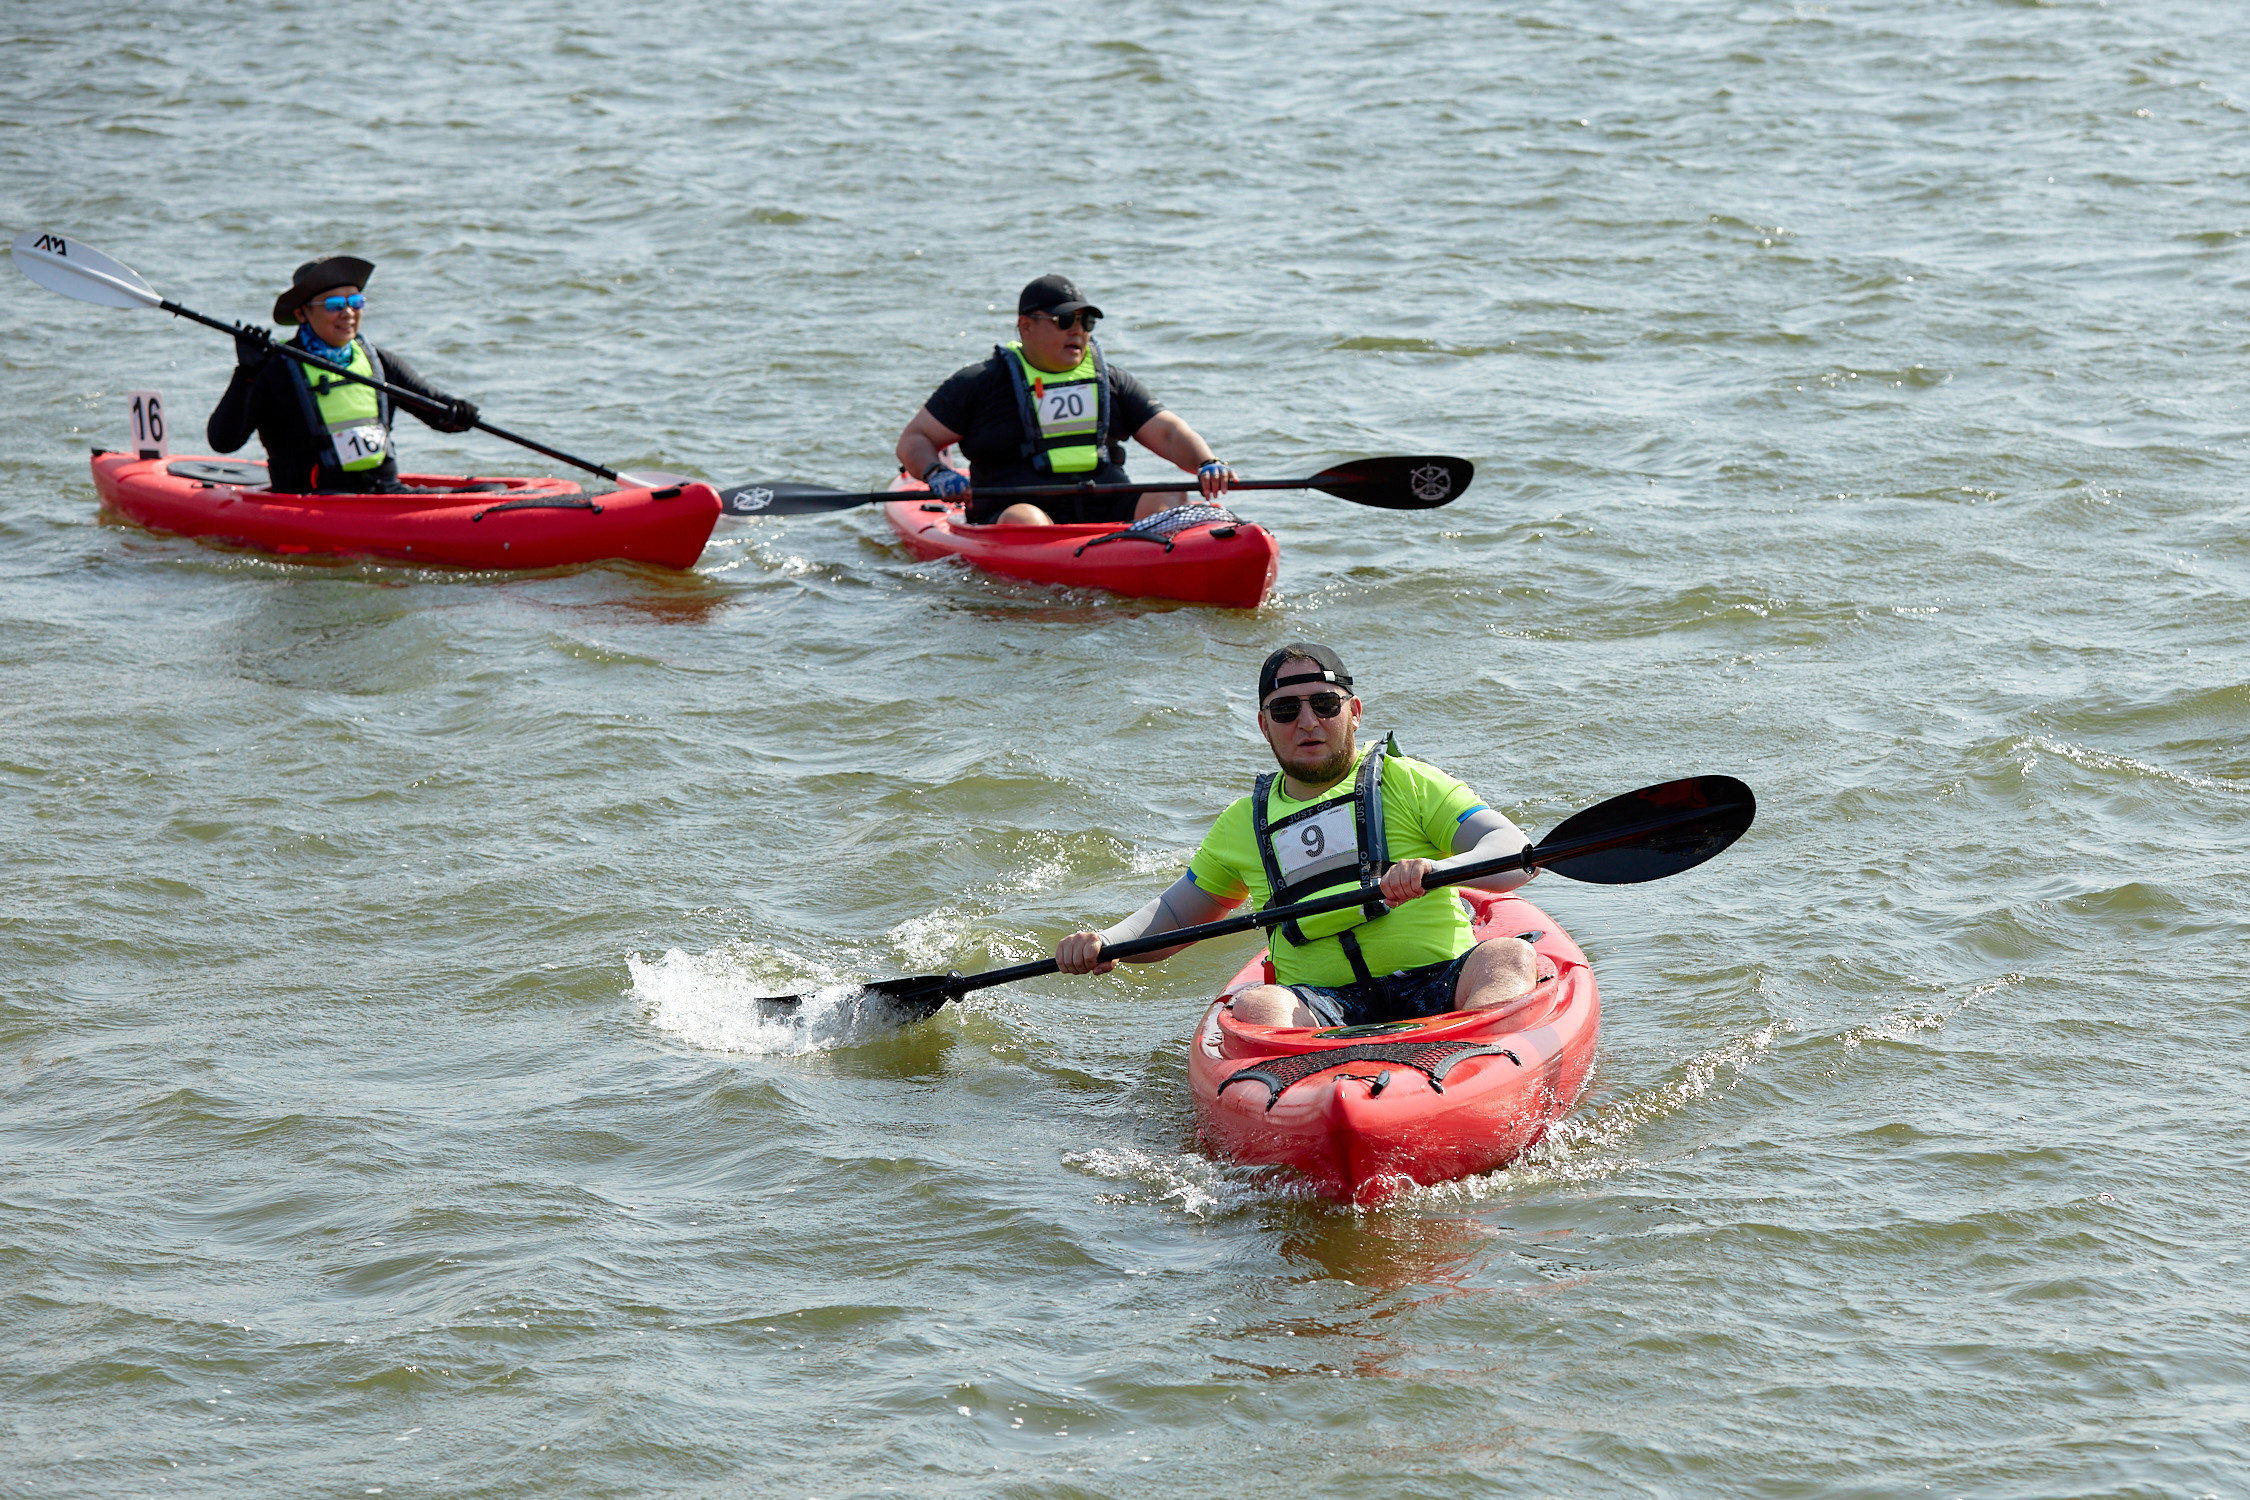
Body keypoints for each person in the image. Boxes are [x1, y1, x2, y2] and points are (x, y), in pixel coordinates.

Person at [1055, 644, 1547, 1028]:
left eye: (1324, 704)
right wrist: (1105, 942)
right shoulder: (1241, 823)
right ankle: (1324, 1099)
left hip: (1441, 982)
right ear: (1265, 726)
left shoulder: (1409, 782)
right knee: (1258, 1006)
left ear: (1354, 711)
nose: (1308, 722)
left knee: (1508, 957)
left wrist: (1437, 870)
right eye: (1286, 710)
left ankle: (1477, 1069)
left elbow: (1509, 850)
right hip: (1319, 1007)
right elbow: (1177, 914)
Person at [894, 274, 1234, 526]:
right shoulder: (980, 383)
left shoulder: (1110, 381)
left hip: (1104, 503)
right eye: (1064, 320)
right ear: (1025, 327)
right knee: (1026, 520)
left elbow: (1169, 433)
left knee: (1171, 498)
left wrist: (1206, 462)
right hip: (1015, 512)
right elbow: (915, 438)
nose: (1078, 331)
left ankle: (1153, 558)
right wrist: (936, 471)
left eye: (1086, 321)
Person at [206, 256, 480, 494]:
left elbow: (437, 412)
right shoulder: (274, 369)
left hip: (384, 492)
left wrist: (459, 412)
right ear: (302, 313)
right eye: (335, 304)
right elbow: (223, 442)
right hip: (315, 498)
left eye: (356, 302)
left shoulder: (380, 362)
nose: (348, 313)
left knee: (493, 492)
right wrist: (246, 375)